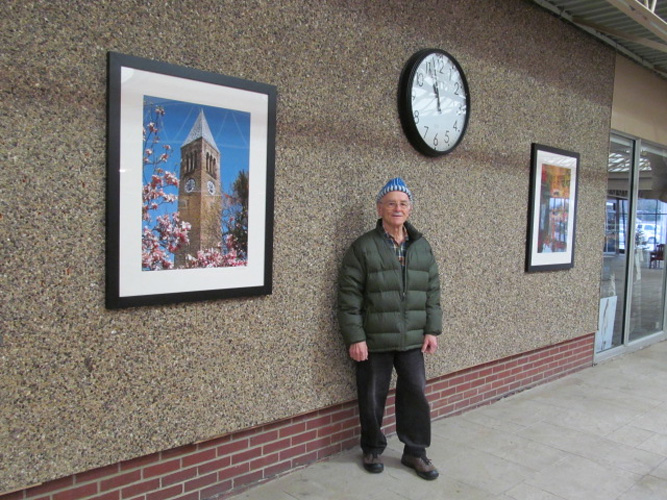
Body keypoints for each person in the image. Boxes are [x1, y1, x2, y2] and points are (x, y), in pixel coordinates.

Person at [337, 177, 442, 480]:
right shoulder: (363, 247)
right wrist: (355, 337)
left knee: (415, 394)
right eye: (391, 203)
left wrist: (431, 330)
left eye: (403, 203)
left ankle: (416, 453)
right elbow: (348, 298)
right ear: (380, 208)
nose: (398, 208)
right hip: (373, 339)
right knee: (371, 395)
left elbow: (432, 292)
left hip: (412, 338)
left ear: (410, 208)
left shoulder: (421, 246)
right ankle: (371, 448)